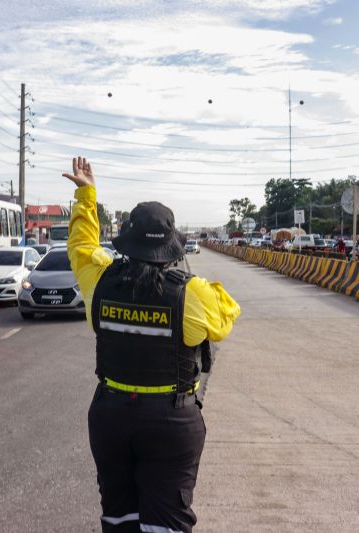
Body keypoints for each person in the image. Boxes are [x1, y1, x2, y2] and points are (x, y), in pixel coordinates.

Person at [63, 157, 240, 533]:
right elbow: (226, 316)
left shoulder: (100, 279)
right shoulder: (192, 294)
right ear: (172, 247)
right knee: (167, 525)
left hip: (110, 415)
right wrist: (198, 284)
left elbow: (80, 244)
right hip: (170, 420)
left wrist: (86, 193)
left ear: (127, 240)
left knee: (118, 516)